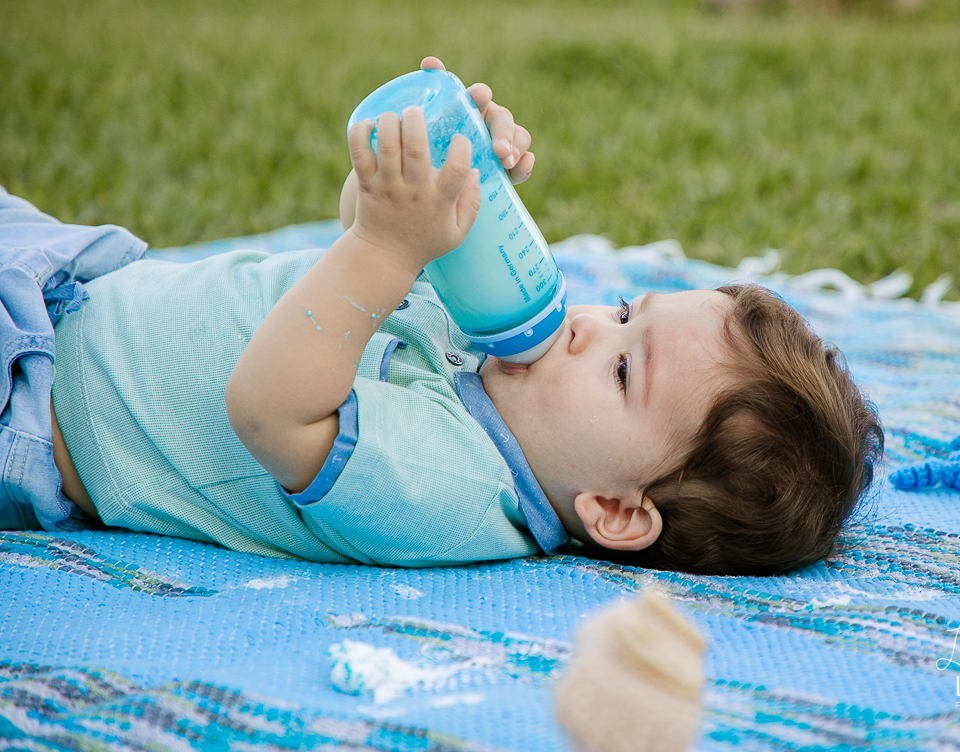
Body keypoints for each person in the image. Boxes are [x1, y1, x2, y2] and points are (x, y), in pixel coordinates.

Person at [0, 58, 882, 576]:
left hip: (36, 409)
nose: (586, 326)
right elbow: (350, 245)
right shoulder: (492, 369)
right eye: (621, 312)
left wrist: (390, 250)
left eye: (622, 368)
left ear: (615, 510)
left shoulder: (451, 487)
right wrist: (435, 187)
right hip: (73, 275)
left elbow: (272, 410)